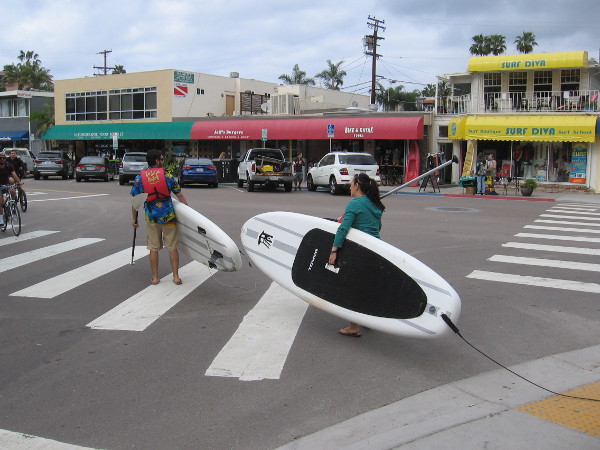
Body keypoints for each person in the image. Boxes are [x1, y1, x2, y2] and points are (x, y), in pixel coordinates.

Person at [328, 172, 385, 337]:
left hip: (358, 251)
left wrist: (334, 250)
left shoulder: (355, 204)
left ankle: (354, 326)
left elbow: (343, 229)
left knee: (350, 287)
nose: (350, 187)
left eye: (351, 184)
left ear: (357, 185)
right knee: (366, 287)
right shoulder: (375, 204)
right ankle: (369, 319)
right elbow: (377, 228)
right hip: (375, 249)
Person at [130, 150, 189, 286]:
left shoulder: (140, 178)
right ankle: (176, 277)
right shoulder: (167, 175)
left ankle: (155, 277)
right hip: (168, 218)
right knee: (172, 247)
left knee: (154, 248)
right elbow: (180, 195)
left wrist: (134, 220)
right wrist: (187, 212)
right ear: (157, 160)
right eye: (161, 159)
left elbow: (135, 201)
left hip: (152, 219)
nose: (163, 161)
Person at [0, 153, 23, 226]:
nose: (2, 159)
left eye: (3, 158)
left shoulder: (8, 165)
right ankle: (0, 220)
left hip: (6, 184)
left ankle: (12, 205)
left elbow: (14, 174)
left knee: (13, 191)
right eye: (0, 158)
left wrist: (19, 182)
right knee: (0, 202)